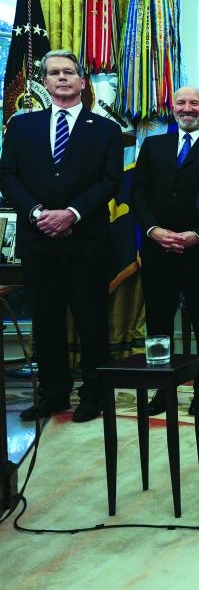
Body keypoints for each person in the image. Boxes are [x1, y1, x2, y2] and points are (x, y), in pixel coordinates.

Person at [0, 49, 123, 423]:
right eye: (54, 73)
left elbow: (110, 180)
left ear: (82, 81)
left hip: (87, 242)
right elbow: (8, 176)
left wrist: (72, 214)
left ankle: (94, 395)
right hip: (39, 241)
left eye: (69, 72)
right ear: (44, 82)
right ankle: (53, 394)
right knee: (46, 321)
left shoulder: (106, 129)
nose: (62, 78)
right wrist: (39, 213)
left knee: (91, 321)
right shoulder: (21, 126)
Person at [132, 86, 199, 416]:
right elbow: (138, 195)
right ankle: (161, 388)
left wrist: (198, 234)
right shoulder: (153, 146)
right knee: (158, 323)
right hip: (158, 250)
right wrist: (153, 230)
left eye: (195, 103)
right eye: (181, 103)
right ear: (173, 108)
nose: (187, 108)